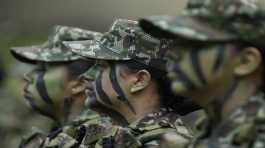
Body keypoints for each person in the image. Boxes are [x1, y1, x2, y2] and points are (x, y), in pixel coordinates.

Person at [139, 0, 265, 147]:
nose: (173, 54)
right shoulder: (211, 131)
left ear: (245, 61)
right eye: (177, 44)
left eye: (194, 44)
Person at [64, 19, 194, 147]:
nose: (86, 76)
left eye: (102, 66)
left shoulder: (163, 143)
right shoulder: (123, 137)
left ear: (139, 80)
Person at [10, 25, 103, 147]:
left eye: (43, 68)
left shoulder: (102, 141)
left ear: (79, 84)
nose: (28, 76)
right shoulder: (70, 135)